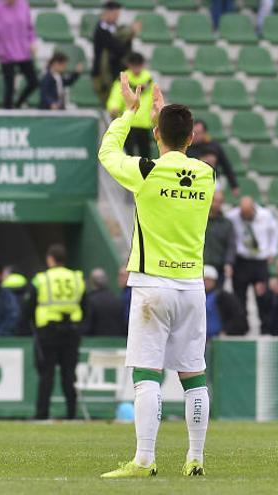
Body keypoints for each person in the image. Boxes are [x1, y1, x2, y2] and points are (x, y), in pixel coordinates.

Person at [98, 80, 215, 478]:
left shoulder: (146, 170)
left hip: (152, 285)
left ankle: (144, 459)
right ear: (193, 135)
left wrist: (130, 113)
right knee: (193, 375)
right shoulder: (206, 175)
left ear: (156, 134)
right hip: (193, 287)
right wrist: (162, 125)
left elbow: (107, 152)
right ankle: (195, 457)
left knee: (147, 374)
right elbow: (179, 149)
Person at [31, 245, 85, 420]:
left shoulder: (42, 279)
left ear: (50, 259)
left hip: (48, 331)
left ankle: (42, 414)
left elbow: (29, 306)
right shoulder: (77, 278)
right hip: (71, 331)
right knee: (69, 374)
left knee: (46, 374)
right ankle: (71, 414)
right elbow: (86, 306)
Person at [226, 196, 278, 327]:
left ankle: (265, 327)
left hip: (260, 261)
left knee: (262, 295)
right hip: (242, 261)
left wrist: (272, 251)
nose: (245, 217)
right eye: (243, 214)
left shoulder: (265, 215)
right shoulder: (232, 216)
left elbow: (276, 232)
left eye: (248, 214)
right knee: (239, 296)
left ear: (253, 209)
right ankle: (241, 327)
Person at [0, 0, 38, 109]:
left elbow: (30, 27)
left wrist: (33, 41)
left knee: (33, 81)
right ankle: (7, 113)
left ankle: (18, 104)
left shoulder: (24, 5)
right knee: (9, 86)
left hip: (23, 51)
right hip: (6, 52)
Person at [107, 52, 154, 158]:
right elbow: (116, 96)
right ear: (129, 65)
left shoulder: (149, 80)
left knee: (145, 157)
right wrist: (114, 108)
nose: (136, 68)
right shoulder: (124, 80)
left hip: (144, 124)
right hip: (129, 124)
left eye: (138, 65)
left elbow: (154, 100)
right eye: (134, 65)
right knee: (129, 155)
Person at [92, 1, 138, 105]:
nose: (116, 17)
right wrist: (130, 33)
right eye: (114, 14)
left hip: (118, 72)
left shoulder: (117, 30)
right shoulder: (100, 30)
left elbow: (126, 50)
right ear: (107, 13)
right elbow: (116, 47)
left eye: (117, 15)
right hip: (104, 75)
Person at [187, 120, 240, 196]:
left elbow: (226, 165)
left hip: (211, 180)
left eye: (198, 133)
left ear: (205, 133)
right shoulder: (187, 147)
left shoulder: (214, 146)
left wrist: (234, 185)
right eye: (194, 133)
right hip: (193, 180)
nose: (195, 135)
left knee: (217, 196)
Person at [203, 190, 236, 288]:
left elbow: (231, 245)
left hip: (218, 268)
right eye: (214, 200)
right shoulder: (200, 221)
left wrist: (228, 263)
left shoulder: (227, 224)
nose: (216, 204)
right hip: (198, 266)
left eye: (219, 201)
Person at [203, 265, 247, 338]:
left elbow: (238, 318)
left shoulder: (225, 297)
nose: (206, 282)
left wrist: (226, 331)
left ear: (214, 281)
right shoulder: (198, 297)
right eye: (204, 279)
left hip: (220, 338)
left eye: (208, 280)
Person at [80, 267, 125, 337]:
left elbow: (86, 327)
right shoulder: (116, 299)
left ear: (92, 282)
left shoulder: (90, 301)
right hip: (117, 343)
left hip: (95, 344)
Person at [1, 265, 35, 336]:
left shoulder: (2, 290)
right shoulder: (28, 287)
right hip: (26, 330)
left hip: (7, 331)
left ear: (9, 274)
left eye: (3, 274)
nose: (1, 277)